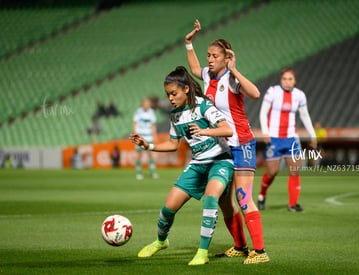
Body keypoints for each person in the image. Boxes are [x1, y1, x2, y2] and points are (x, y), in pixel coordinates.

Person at [130, 66, 234, 265]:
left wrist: (204, 132)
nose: (170, 98)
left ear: (186, 89)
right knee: (167, 210)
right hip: (197, 164)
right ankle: (161, 241)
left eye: (173, 93)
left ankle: (202, 252)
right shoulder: (175, 115)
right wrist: (148, 145)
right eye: (168, 94)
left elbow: (227, 129)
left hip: (220, 160)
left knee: (211, 199)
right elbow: (172, 144)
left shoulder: (203, 105)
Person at [185, 19, 269, 264]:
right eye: (208, 55)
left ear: (225, 58)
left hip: (241, 143)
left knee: (243, 198)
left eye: (214, 56)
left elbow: (255, 93)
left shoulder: (231, 79)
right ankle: (240, 246)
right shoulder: (208, 77)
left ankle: (261, 252)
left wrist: (234, 69)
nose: (209, 59)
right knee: (224, 200)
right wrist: (189, 43)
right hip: (222, 148)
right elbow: (193, 69)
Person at [257, 68, 317, 212]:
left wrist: (312, 135)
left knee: (295, 170)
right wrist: (265, 132)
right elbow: (263, 112)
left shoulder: (300, 95)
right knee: (272, 172)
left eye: (290, 79)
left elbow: (305, 115)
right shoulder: (273, 91)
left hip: (291, 138)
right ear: (280, 80)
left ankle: (293, 204)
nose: (287, 82)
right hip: (274, 139)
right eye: (284, 79)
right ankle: (262, 195)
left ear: (294, 81)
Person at [132, 98, 158, 180]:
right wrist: (136, 134)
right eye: (145, 103)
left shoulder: (151, 112)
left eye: (148, 103)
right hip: (141, 136)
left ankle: (153, 172)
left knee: (150, 154)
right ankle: (138, 173)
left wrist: (154, 135)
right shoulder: (138, 112)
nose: (147, 105)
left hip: (149, 136)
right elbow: (135, 123)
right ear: (143, 104)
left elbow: (153, 124)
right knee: (139, 154)